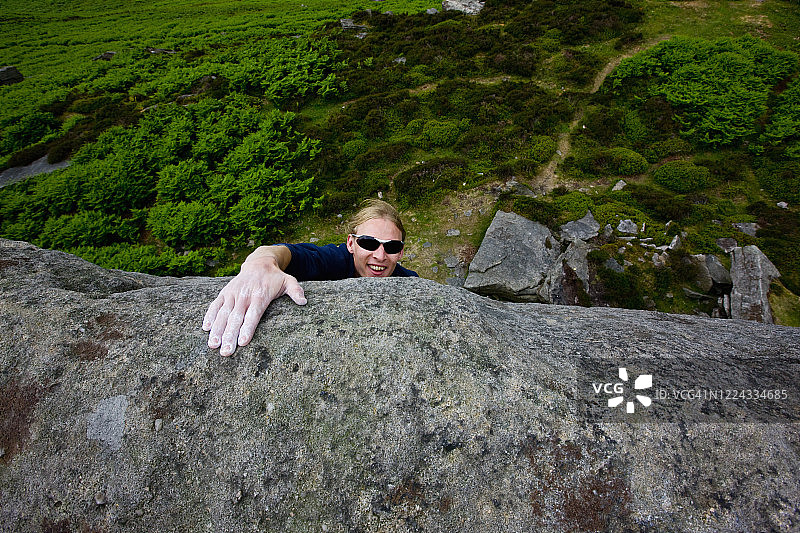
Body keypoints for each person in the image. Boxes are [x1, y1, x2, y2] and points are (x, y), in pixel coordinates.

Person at [203, 199, 418, 356]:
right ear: (351, 244)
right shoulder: (334, 260)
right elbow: (294, 254)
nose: (380, 256)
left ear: (400, 253)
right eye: (368, 243)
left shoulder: (411, 284)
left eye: (391, 247)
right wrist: (261, 264)